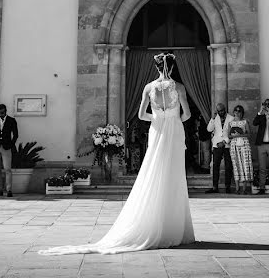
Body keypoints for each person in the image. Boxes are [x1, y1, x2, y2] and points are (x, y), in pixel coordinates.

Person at [40, 52, 194, 254]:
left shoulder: (149, 88)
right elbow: (188, 114)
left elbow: (141, 115)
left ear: (156, 68)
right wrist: (172, 121)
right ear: (172, 68)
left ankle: (153, 223)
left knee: (154, 170)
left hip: (157, 133)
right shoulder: (179, 87)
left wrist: (158, 119)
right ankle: (172, 227)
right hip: (174, 133)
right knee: (173, 175)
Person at [0, 103, 18, 197]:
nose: (1, 114)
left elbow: (16, 135)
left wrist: (11, 144)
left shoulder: (11, 120)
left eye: (2, 112)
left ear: (5, 111)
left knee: (7, 169)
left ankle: (9, 190)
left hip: (6, 147)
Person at [205, 102, 234, 194]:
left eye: (221, 110)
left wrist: (225, 141)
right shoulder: (215, 118)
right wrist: (213, 118)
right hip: (217, 144)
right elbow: (209, 129)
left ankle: (228, 186)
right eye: (218, 111)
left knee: (228, 166)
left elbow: (232, 133)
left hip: (227, 145)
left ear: (225, 109)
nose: (220, 112)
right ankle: (214, 187)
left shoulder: (231, 118)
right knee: (215, 166)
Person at [228, 105, 253, 194]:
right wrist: (234, 135)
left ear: (242, 113)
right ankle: (237, 188)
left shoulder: (245, 122)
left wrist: (239, 135)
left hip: (244, 144)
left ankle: (244, 188)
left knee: (245, 164)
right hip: (234, 145)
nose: (237, 112)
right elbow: (229, 136)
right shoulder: (230, 123)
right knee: (236, 165)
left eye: (239, 111)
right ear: (233, 112)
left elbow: (249, 135)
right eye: (236, 110)